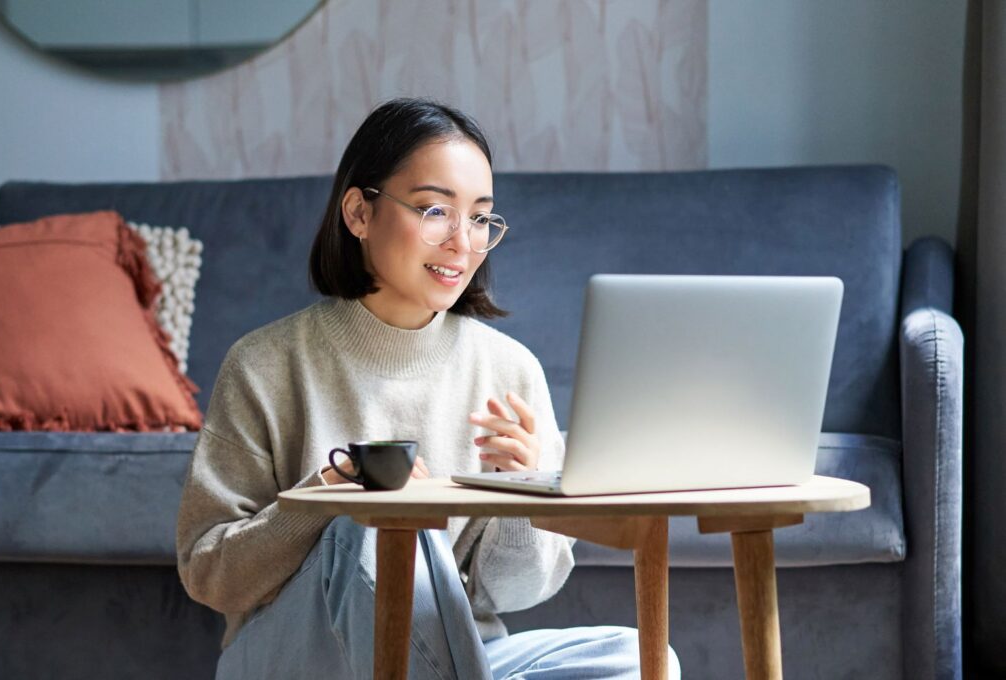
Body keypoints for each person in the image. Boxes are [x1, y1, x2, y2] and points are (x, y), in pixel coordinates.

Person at [176, 97, 681, 679]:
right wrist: (322, 499)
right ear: (359, 213)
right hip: (301, 658)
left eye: (479, 217)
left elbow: (518, 594)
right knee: (372, 527)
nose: (462, 243)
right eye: (435, 210)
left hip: (459, 656)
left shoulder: (511, 371)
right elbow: (208, 573)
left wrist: (521, 494)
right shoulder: (263, 365)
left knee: (640, 661)